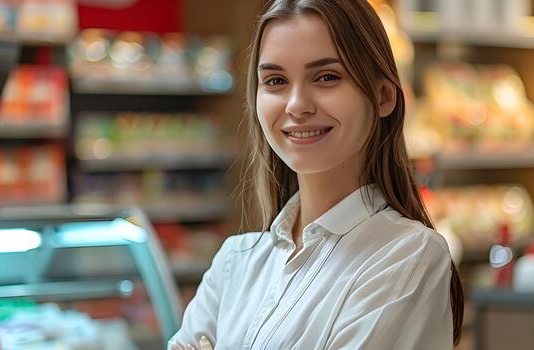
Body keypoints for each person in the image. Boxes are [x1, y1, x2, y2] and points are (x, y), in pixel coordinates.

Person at [169, 0, 463, 348]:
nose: (296, 104)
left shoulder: (407, 255)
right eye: (276, 80)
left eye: (326, 77)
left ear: (384, 96)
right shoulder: (236, 261)